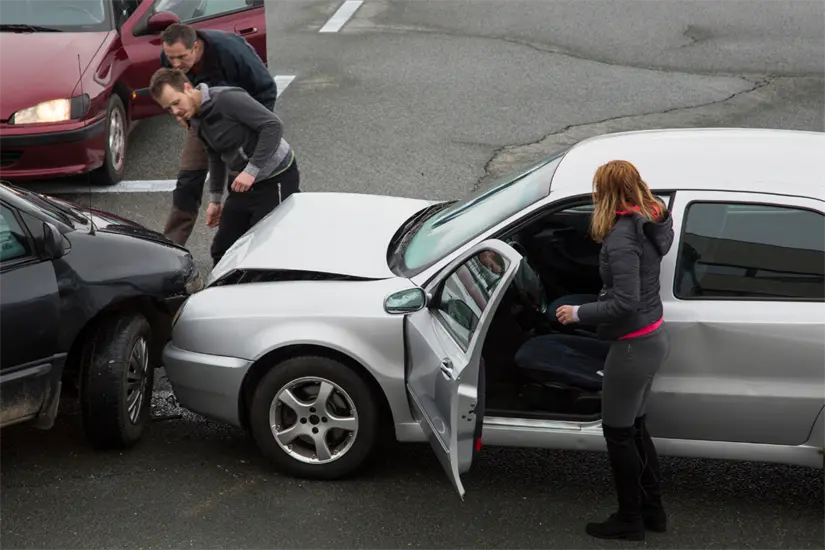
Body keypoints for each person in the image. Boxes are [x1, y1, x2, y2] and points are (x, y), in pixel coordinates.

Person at [555, 160, 674, 541]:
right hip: (651, 338)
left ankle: (629, 520)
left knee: (618, 433)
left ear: (606, 192)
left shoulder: (623, 237)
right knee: (636, 429)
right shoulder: (650, 222)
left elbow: (624, 302)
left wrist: (577, 313)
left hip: (631, 348)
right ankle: (653, 512)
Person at [148, 68, 300, 266]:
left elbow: (273, 126)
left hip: (276, 176)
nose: (175, 112)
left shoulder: (226, 99)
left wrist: (251, 170)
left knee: (264, 246)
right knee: (222, 248)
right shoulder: (195, 117)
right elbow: (215, 154)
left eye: (176, 103)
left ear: (187, 88)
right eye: (169, 109)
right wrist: (216, 200)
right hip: (244, 184)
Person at [158, 23, 278, 245]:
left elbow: (266, 89)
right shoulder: (171, 57)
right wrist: (185, 118)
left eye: (181, 57)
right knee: (187, 182)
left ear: (195, 47)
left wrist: (252, 133)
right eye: (170, 57)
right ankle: (171, 248)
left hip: (239, 121)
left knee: (242, 188)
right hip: (201, 120)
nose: (175, 64)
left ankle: (252, 247)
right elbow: (172, 91)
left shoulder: (230, 51)